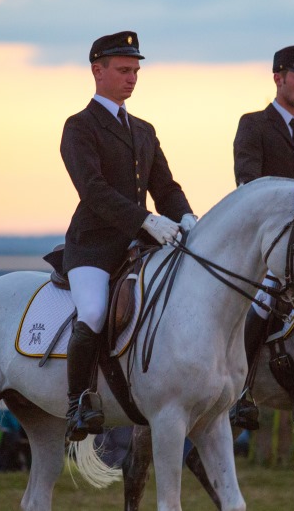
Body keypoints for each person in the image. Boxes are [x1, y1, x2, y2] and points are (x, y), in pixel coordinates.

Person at [61, 31, 195, 442]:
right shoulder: (79, 127)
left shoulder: (144, 129)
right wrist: (145, 220)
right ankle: (79, 401)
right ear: (97, 71)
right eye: (123, 70)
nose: (132, 78)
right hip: (94, 246)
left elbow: (165, 187)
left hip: (140, 245)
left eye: (135, 70)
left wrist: (187, 218)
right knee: (95, 312)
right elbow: (94, 189)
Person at [230, 44, 294, 432]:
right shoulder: (253, 125)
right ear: (278, 78)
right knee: (264, 295)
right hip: (270, 244)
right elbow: (249, 185)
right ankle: (243, 389)